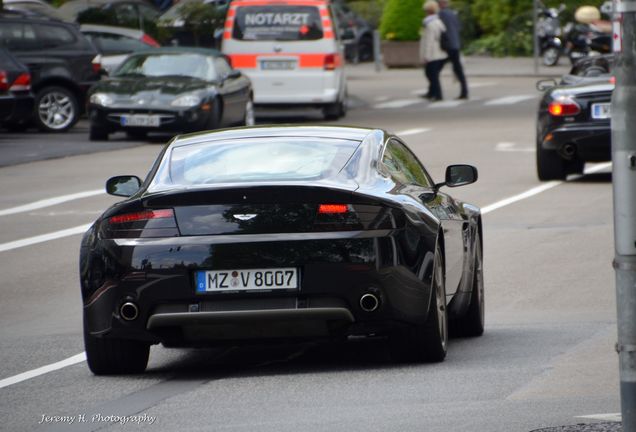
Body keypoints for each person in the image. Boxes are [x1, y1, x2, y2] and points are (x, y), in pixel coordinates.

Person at [438, 0, 469, 100]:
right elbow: (458, 27)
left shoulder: (441, 14)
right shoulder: (453, 13)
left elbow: (441, 30)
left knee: (434, 70)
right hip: (455, 44)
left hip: (447, 46)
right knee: (458, 69)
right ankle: (464, 91)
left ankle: (435, 92)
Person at [420, 1, 447, 102]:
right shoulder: (439, 21)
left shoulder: (429, 24)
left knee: (431, 74)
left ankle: (438, 94)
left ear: (427, 11)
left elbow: (429, 41)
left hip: (433, 54)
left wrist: (426, 56)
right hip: (441, 52)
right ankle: (431, 92)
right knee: (433, 74)